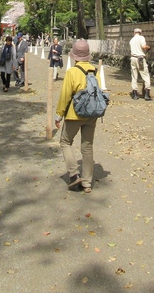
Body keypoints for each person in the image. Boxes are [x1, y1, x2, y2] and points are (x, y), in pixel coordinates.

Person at [54, 39, 100, 193]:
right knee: (87, 147)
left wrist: (59, 115)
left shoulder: (72, 72)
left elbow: (66, 95)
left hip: (75, 114)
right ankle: (87, 183)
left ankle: (74, 174)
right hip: (92, 114)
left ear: (75, 56)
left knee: (65, 142)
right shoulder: (95, 71)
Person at [129, 27, 152, 101]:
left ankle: (135, 94)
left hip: (133, 58)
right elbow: (143, 46)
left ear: (134, 33)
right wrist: (148, 47)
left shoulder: (131, 40)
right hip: (140, 59)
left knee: (134, 76)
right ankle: (147, 93)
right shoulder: (141, 38)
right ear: (140, 33)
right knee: (145, 75)